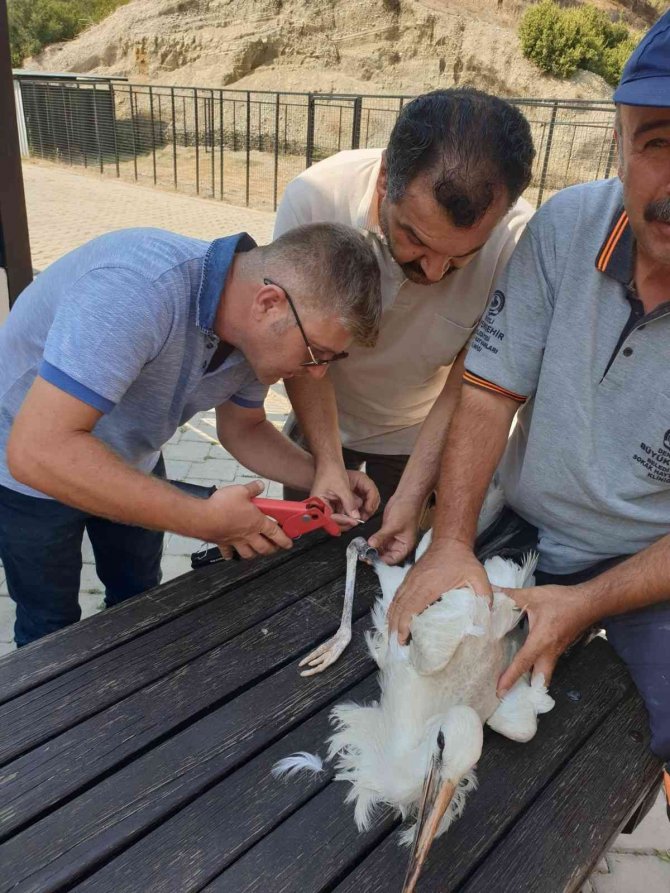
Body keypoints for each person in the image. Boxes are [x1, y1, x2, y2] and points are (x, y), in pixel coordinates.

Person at [388, 12, 670, 787]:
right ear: (618, 140)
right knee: (414, 665)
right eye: (658, 143)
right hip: (529, 516)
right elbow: (487, 390)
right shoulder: (569, 225)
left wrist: (589, 600)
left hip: (650, 559)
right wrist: (448, 536)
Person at [0, 222, 382, 646]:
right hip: (30, 472)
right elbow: (38, 450)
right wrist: (203, 519)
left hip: (132, 456)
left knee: (139, 604)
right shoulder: (136, 289)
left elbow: (245, 429)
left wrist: (322, 476)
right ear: (269, 303)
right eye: (315, 355)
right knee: (50, 632)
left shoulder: (251, 332)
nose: (318, 373)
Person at [274, 88, 535, 563]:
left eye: (462, 255)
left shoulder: (518, 241)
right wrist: (328, 461)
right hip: (318, 420)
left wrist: (414, 494)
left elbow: (469, 381)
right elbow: (298, 350)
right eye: (414, 238)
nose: (434, 272)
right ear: (384, 180)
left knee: (400, 563)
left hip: (420, 436)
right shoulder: (317, 198)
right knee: (295, 559)